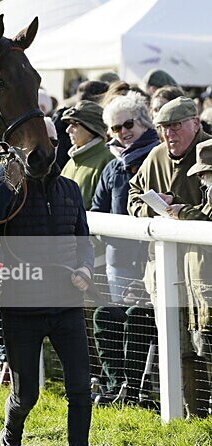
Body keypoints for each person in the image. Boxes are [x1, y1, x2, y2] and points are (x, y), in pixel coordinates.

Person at [0, 155, 95, 446]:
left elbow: (83, 240)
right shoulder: (9, 190)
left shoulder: (70, 190)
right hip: (20, 307)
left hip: (66, 305)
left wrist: (86, 269)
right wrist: (4, 185)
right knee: (25, 393)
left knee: (79, 388)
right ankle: (10, 445)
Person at [128, 96, 212, 417]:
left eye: (176, 126)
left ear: (196, 123)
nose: (169, 134)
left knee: (205, 344)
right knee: (177, 347)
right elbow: (133, 195)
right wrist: (152, 207)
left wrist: (185, 214)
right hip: (164, 271)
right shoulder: (156, 155)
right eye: (163, 128)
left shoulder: (209, 152)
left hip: (204, 273)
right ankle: (189, 417)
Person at [90, 91, 160, 406]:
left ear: (143, 122)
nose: (122, 133)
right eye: (115, 128)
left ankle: (139, 391)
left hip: (152, 261)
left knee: (140, 318)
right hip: (118, 260)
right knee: (110, 316)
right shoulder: (112, 167)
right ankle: (118, 387)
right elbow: (97, 209)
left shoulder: (156, 157)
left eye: (127, 124)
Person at [164, 138, 212, 414]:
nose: (203, 180)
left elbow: (206, 224)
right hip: (198, 292)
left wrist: (185, 212)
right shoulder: (207, 196)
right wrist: (181, 207)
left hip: (206, 290)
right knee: (201, 350)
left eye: (206, 174)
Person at [60, 100, 112, 209]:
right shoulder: (70, 162)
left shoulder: (108, 160)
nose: (68, 130)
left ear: (91, 128)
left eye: (74, 125)